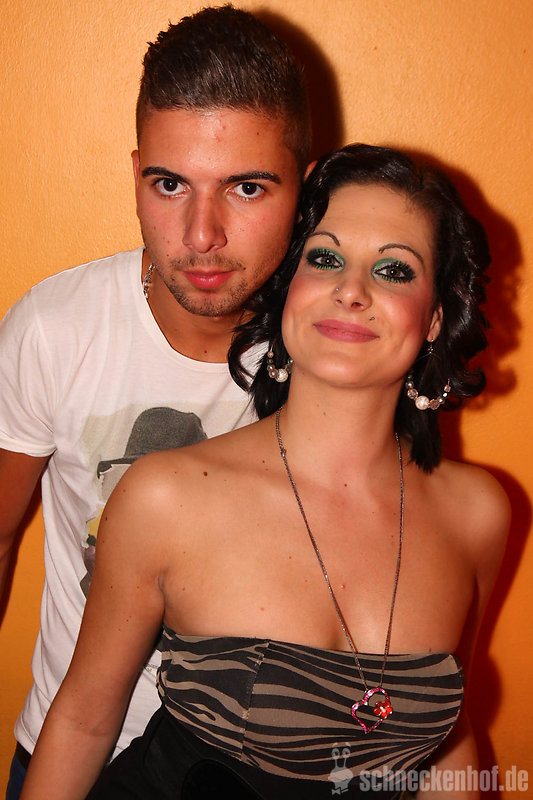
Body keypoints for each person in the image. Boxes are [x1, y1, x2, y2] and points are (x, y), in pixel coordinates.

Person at [20, 144, 509, 799]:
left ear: (435, 318)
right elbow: (83, 720)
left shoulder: (478, 513)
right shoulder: (164, 497)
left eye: (393, 270)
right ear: (288, 291)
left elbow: (448, 740)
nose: (351, 291)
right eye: (325, 259)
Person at [0, 5, 310, 796]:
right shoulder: (56, 329)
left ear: (302, 184)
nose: (201, 235)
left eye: (246, 187)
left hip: (250, 774)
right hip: (70, 757)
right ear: (136, 172)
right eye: (169, 184)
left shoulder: (336, 352)